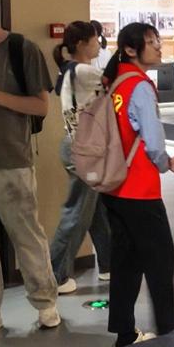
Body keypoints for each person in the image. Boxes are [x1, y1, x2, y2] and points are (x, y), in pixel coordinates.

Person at [101, 22, 174, 347]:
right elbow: (152, 140)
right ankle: (167, 335)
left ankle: (124, 334)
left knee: (125, 262)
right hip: (139, 189)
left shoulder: (115, 82)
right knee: (161, 260)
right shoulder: (139, 86)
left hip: (114, 186)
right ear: (130, 49)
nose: (159, 47)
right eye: (151, 42)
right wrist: (164, 162)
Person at [0, 4, 60, 329]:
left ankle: (45, 303)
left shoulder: (21, 49)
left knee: (27, 236)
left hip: (12, 161)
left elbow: (41, 106)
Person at [49, 20, 112, 294]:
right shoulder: (84, 71)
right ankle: (55, 276)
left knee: (96, 211)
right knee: (76, 215)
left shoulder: (68, 69)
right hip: (84, 150)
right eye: (95, 39)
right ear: (81, 44)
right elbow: (115, 86)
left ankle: (109, 264)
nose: (99, 43)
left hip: (76, 146)